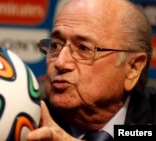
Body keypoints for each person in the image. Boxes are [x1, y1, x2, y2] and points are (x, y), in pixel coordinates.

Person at [26, 0, 156, 140]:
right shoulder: (24, 120)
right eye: (56, 45)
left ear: (133, 68)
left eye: (83, 48)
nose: (60, 62)